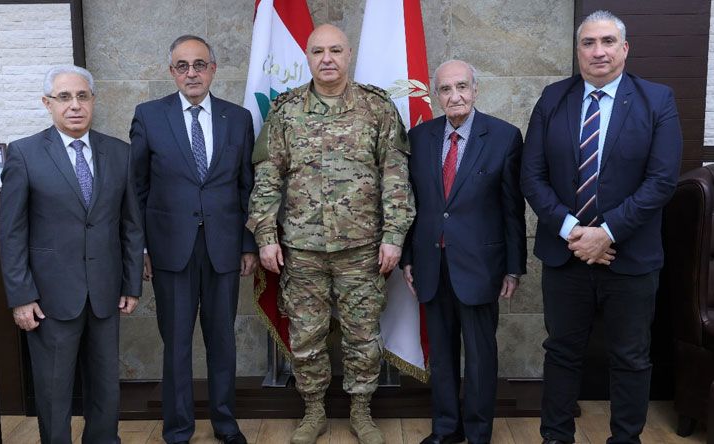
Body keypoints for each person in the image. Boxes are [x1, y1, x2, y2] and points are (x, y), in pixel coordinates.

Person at [247, 23, 415, 444]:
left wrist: (394, 235)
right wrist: (265, 236)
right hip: (302, 249)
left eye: (335, 50)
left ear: (348, 54)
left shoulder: (377, 107)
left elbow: (396, 176)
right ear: (307, 56)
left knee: (363, 335)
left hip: (362, 248)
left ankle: (361, 412)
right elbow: (267, 178)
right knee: (306, 335)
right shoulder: (285, 110)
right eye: (318, 51)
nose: (327, 59)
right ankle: (313, 411)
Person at [521, 10, 683, 444]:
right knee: (561, 353)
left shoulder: (657, 100)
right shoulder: (553, 98)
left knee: (631, 358)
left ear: (624, 49)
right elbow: (531, 176)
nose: (598, 51)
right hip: (566, 254)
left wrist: (606, 234)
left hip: (630, 257)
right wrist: (574, 231)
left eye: (608, 41)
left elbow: (662, 180)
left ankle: (625, 439)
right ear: (578, 51)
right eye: (588, 43)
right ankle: (556, 437)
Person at [0, 65, 144, 443]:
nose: (74, 105)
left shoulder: (120, 153)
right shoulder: (24, 154)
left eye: (82, 96)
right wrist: (21, 296)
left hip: (105, 293)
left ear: (93, 101)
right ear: (47, 103)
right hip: (49, 297)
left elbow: (131, 225)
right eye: (64, 97)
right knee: (53, 391)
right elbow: (11, 233)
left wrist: (131, 283)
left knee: (105, 388)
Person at [130, 35, 257, 444]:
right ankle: (178, 428)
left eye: (199, 64)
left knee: (222, 341)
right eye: (182, 66)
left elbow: (247, 187)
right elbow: (136, 188)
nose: (192, 73)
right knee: (177, 344)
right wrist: (142, 248)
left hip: (223, 248)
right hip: (170, 250)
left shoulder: (238, 119)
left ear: (213, 69)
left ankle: (225, 423)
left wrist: (248, 244)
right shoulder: (149, 116)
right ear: (172, 72)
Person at [401, 60, 526, 444]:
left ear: (475, 89)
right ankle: (445, 429)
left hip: (481, 267)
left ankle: (477, 432)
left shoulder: (504, 136)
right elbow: (412, 204)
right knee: (441, 356)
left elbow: (512, 208)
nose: (454, 96)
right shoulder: (419, 137)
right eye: (445, 89)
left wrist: (514, 267)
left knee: (480, 356)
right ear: (435, 95)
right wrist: (408, 257)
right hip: (431, 263)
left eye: (462, 87)